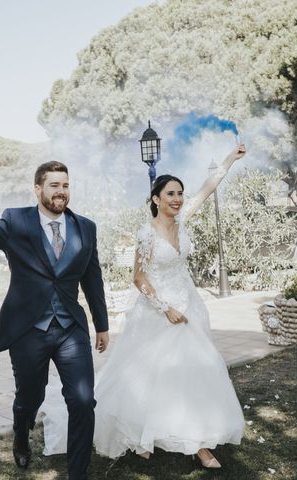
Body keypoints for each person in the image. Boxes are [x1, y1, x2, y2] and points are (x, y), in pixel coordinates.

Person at [42, 144, 247, 469]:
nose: (177, 198)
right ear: (156, 199)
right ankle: (143, 435)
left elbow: (208, 188)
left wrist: (229, 160)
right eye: (170, 194)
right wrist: (164, 307)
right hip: (158, 312)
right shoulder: (147, 235)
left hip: (189, 306)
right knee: (150, 378)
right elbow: (138, 278)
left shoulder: (183, 219)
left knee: (198, 370)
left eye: (180, 193)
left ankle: (200, 444)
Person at [0, 156, 109, 480]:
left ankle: (78, 474)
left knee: (83, 399)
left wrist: (101, 325)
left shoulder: (85, 227)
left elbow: (92, 278)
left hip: (69, 330)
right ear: (38, 189)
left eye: (65, 185)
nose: (61, 191)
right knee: (29, 397)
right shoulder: (15, 222)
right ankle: (22, 430)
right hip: (27, 330)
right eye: (54, 185)